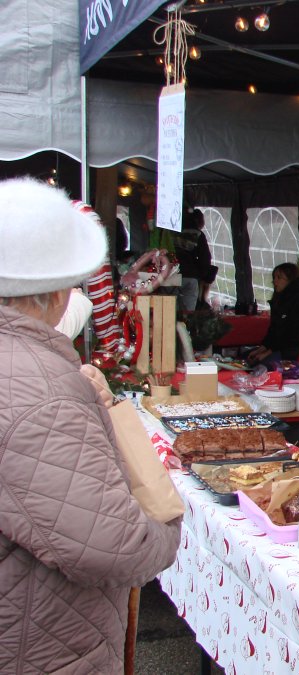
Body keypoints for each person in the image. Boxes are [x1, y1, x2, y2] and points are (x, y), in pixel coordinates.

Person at [0, 178, 181, 673]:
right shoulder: (45, 393)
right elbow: (114, 547)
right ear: (61, 292)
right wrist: (167, 530)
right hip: (40, 644)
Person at [248, 262, 299, 368]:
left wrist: (267, 353)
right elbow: (273, 331)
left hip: (296, 350)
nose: (274, 281)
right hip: (281, 348)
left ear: (290, 280)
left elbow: (292, 334)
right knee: (247, 357)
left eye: (279, 277)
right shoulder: (280, 301)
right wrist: (262, 348)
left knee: (261, 364)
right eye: (274, 277)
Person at [174, 207, 215, 312]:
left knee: (171, 310)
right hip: (190, 276)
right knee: (189, 312)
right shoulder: (199, 235)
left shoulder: (174, 232)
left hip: (172, 276)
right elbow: (205, 258)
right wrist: (201, 274)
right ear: (199, 221)